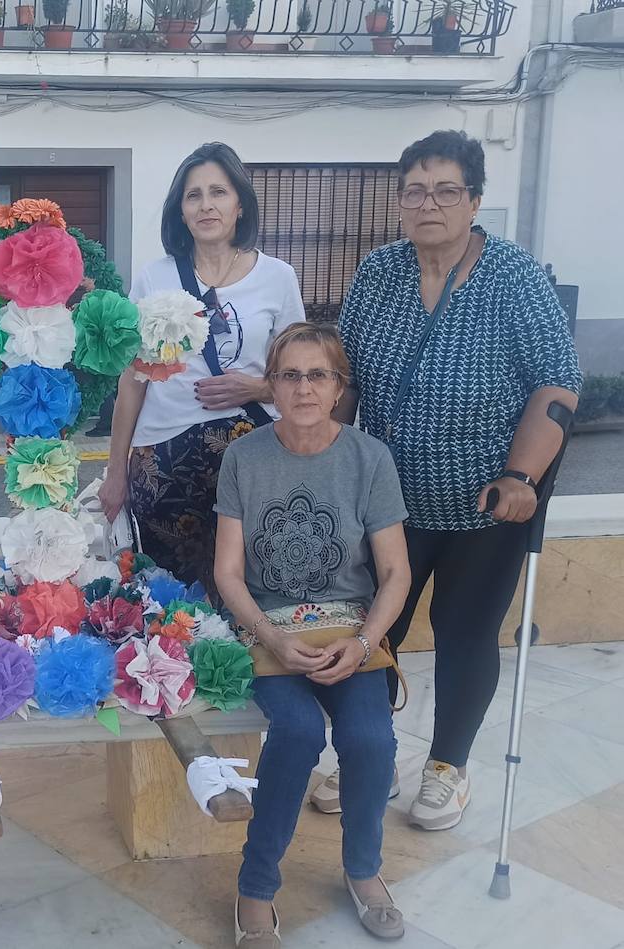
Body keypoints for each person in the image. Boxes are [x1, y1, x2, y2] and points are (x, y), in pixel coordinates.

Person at [327, 130, 581, 831]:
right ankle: (366, 755)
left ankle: (447, 766)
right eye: (415, 188)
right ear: (399, 200)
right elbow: (346, 380)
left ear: (474, 200)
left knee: (466, 633)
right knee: (375, 630)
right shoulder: (378, 272)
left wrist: (521, 474)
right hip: (388, 502)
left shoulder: (514, 275)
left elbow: (556, 385)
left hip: (486, 503)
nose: (428, 202)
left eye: (445, 189)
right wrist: (328, 459)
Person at [215, 323, 412, 945]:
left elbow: (395, 571)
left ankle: (364, 870)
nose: (304, 388)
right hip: (269, 633)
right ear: (271, 385)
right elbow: (227, 570)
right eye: (290, 375)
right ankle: (256, 886)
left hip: (353, 632)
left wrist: (362, 643)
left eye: (318, 375)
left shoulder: (368, 457)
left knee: (370, 739)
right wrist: (271, 638)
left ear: (338, 387)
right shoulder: (243, 458)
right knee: (298, 732)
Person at [99, 142, 306, 601]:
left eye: (219, 192)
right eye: (194, 195)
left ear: (240, 204)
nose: (206, 205)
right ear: (181, 209)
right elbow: (131, 383)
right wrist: (116, 472)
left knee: (253, 593)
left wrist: (255, 386)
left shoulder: (277, 277)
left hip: (250, 461)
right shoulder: (155, 277)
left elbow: (301, 373)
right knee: (170, 602)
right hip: (162, 463)